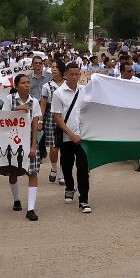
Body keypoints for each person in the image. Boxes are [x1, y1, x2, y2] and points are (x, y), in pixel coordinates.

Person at [52, 62, 91, 213]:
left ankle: (84, 199)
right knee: (67, 166)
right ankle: (69, 187)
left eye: (77, 74)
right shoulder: (58, 93)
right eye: (71, 74)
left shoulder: (85, 91)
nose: (74, 77)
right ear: (65, 75)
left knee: (83, 168)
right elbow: (57, 117)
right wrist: (71, 134)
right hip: (67, 137)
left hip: (83, 137)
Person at [9, 73, 41, 221]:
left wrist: (34, 146)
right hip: (12, 141)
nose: (27, 85)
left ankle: (30, 208)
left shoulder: (34, 102)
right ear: (16, 86)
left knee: (32, 173)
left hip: (28, 141)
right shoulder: (9, 100)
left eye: (28, 82)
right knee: (13, 172)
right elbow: (3, 118)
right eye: (23, 83)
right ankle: (16, 199)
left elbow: (35, 124)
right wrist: (18, 108)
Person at [41, 61, 64, 185]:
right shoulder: (46, 86)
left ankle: (62, 172)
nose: (54, 69)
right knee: (53, 148)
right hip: (51, 116)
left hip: (66, 116)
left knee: (65, 148)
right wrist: (40, 119)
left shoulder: (67, 84)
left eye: (56, 67)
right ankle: (54, 168)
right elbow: (43, 104)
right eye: (52, 67)